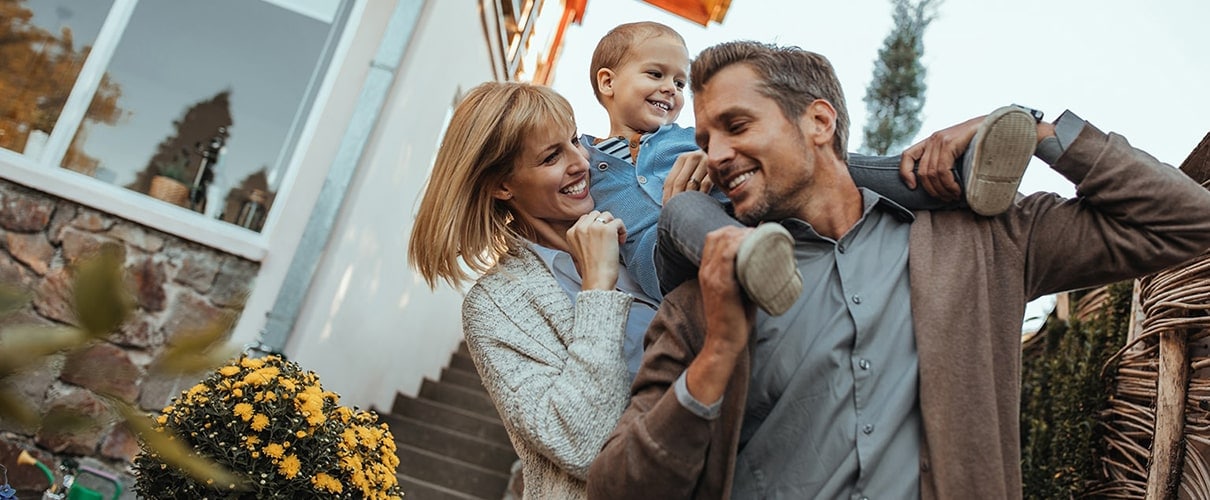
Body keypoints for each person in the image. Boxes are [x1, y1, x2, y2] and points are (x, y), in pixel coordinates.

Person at [586, 41, 1210, 500]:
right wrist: (718, 353)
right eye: (704, 138)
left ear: (820, 121)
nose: (714, 155)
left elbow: (1187, 222)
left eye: (737, 126)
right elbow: (616, 490)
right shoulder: (707, 291)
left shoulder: (983, 242)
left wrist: (1041, 130)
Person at [581, 22, 1033, 315]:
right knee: (681, 210)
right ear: (607, 82)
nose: (671, 89)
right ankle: (748, 259)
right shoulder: (583, 157)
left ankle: (959, 173)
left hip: (742, 210)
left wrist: (708, 153)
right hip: (666, 262)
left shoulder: (688, 137)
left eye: (679, 82)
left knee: (822, 165)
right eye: (655, 74)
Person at [408, 82, 639, 499]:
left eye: (574, 140)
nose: (581, 162)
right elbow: (581, 443)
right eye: (552, 156)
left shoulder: (640, 228)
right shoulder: (496, 305)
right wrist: (598, 290)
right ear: (502, 185)